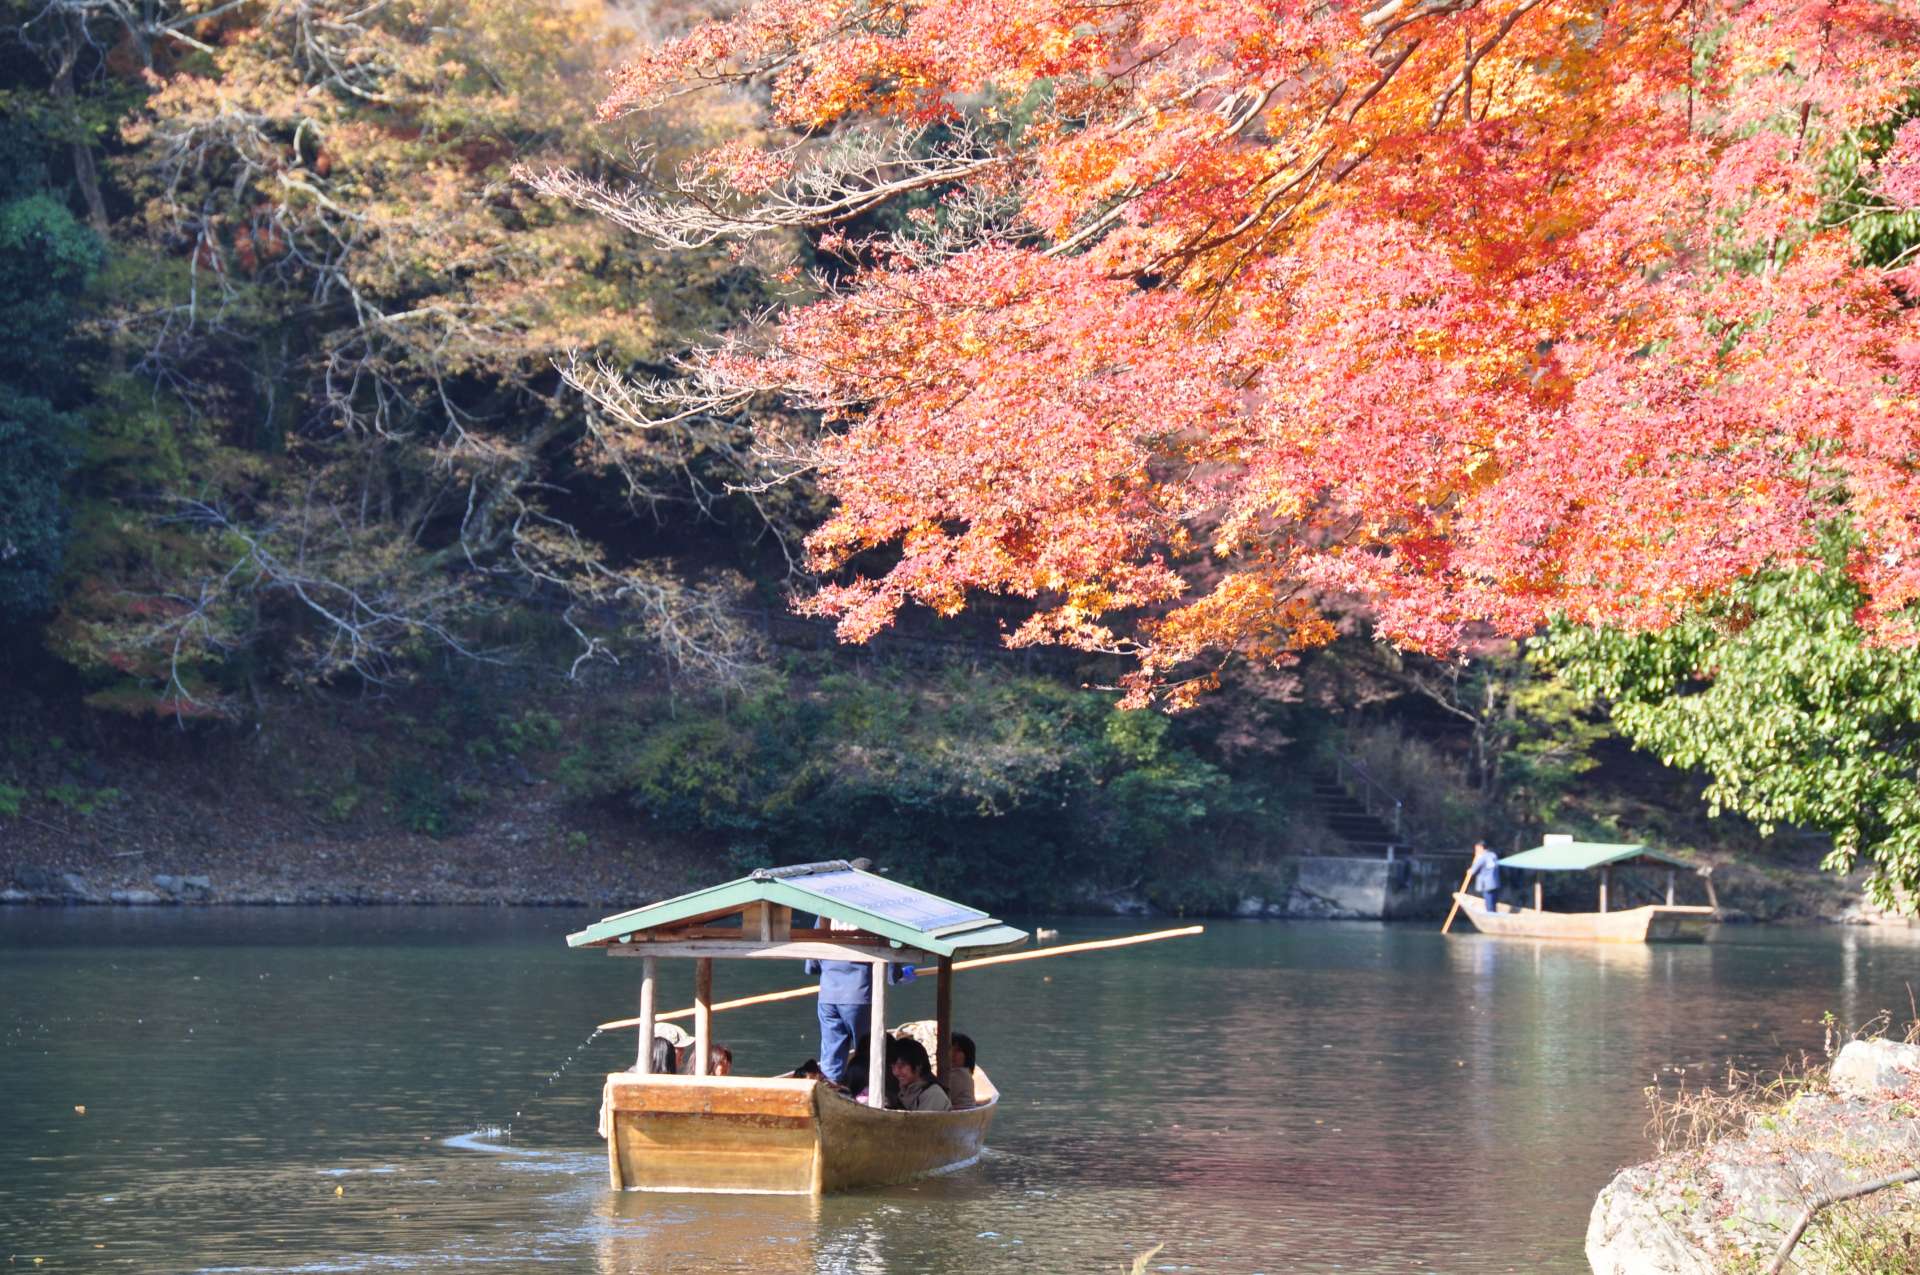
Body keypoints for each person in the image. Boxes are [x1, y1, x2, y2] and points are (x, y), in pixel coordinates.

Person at [888, 1038, 952, 1112]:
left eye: (901, 1066)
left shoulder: (933, 1094)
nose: (896, 1072)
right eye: (893, 1066)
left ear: (918, 1065)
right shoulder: (904, 1092)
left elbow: (921, 1122)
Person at [944, 1033, 978, 1109]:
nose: (952, 1054)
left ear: (967, 1055)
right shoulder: (963, 1073)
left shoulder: (959, 1075)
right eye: (950, 1049)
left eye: (958, 1050)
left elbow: (940, 1098)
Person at [1471, 840, 1502, 912]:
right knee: (1493, 903)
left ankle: (1491, 917)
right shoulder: (1493, 855)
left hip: (1487, 885)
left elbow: (1473, 870)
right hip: (1495, 883)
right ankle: (1494, 915)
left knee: (1489, 905)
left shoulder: (1482, 857)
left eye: (1477, 849)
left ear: (1481, 847)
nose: (1476, 851)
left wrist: (1476, 858)